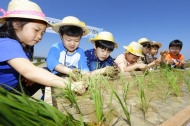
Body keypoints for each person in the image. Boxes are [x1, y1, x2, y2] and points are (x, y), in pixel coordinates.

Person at [0, 0, 86, 96]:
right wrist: (70, 85)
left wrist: (24, 76)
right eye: (36, 30)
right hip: (5, 94)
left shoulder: (25, 46)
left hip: (15, 87)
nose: (39, 36)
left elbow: (22, 70)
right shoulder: (6, 43)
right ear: (16, 23)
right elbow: (28, 70)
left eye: (42, 33)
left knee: (44, 73)